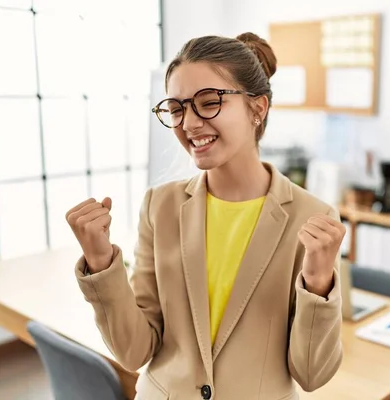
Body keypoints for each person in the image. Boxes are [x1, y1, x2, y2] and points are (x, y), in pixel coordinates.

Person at [65, 32, 346, 400]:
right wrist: (101, 263)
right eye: (177, 109)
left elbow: (310, 374)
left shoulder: (314, 219)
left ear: (257, 108)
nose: (189, 124)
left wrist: (319, 284)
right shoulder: (158, 206)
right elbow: (134, 352)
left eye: (208, 102)